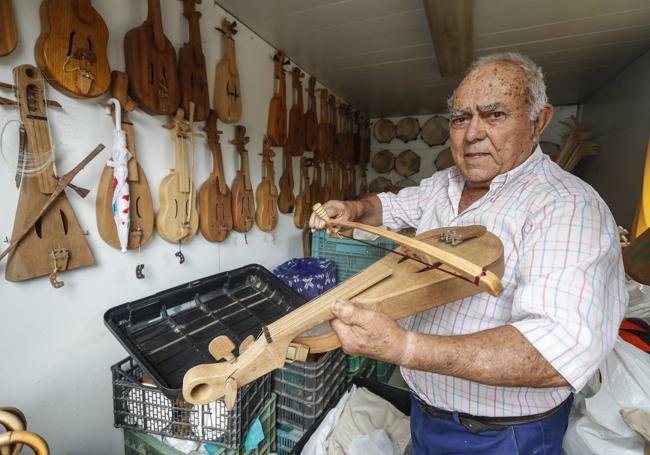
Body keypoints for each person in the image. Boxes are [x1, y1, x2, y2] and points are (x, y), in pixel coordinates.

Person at [309, 52, 628, 454]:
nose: (472, 133)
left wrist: (405, 348)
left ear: (539, 121)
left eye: (493, 115)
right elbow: (390, 206)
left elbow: (554, 351)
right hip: (428, 414)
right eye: (461, 118)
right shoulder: (444, 184)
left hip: (503, 435)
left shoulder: (566, 205)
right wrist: (354, 210)